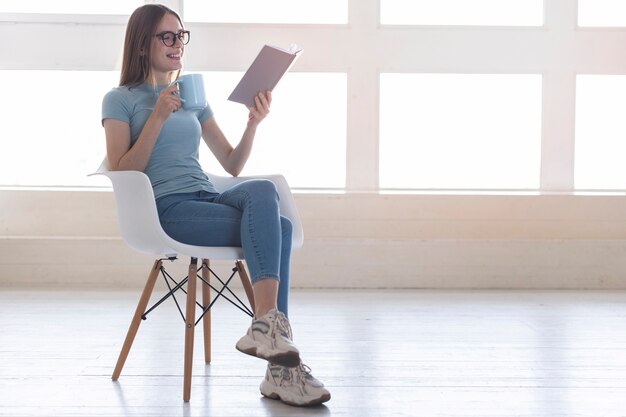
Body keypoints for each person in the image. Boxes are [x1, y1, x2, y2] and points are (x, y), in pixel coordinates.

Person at [101, 4, 330, 407]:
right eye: (167, 36)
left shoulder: (192, 95)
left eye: (180, 35)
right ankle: (282, 370)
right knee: (282, 228)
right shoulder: (120, 100)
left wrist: (252, 124)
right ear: (142, 45)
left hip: (206, 196)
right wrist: (155, 117)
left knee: (263, 193)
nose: (177, 44)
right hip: (165, 210)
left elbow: (231, 163)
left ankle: (266, 329)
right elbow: (122, 169)